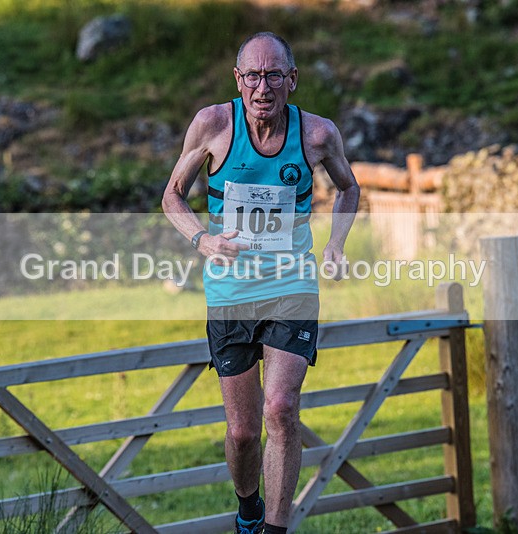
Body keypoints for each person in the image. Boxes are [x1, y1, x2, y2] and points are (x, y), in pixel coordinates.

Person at [161, 31, 359, 534]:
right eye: (253, 75)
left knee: (281, 408)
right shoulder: (213, 124)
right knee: (244, 431)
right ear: (238, 79)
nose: (262, 86)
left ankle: (275, 528)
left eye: (274, 75)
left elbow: (348, 188)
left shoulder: (317, 135)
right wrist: (201, 240)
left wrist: (336, 242)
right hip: (230, 292)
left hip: (292, 287)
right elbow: (173, 197)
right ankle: (248, 508)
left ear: (292, 80)